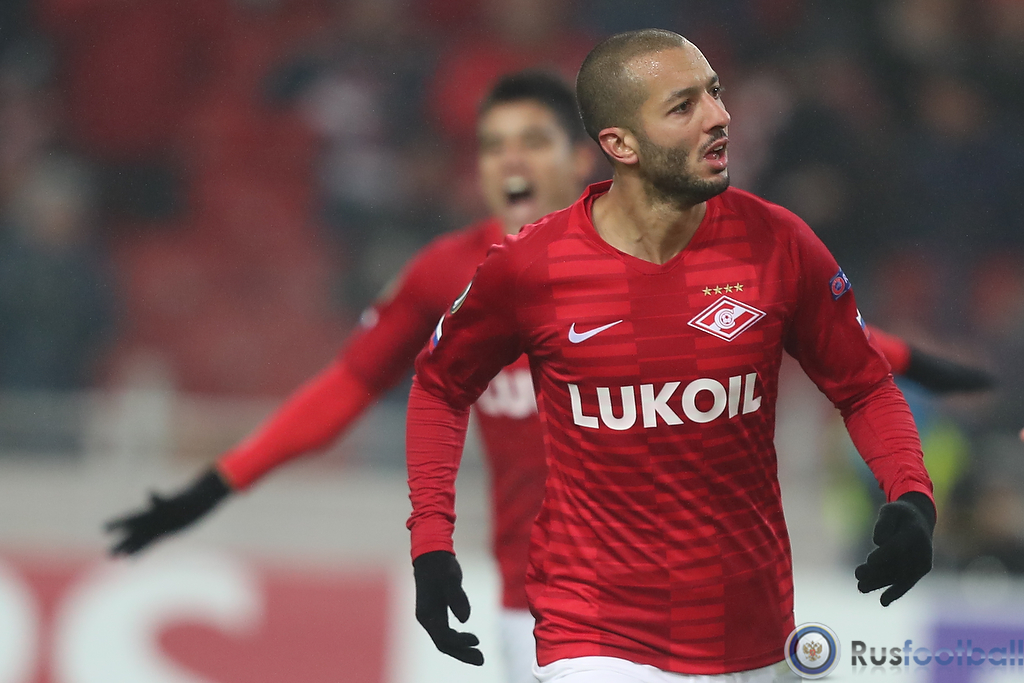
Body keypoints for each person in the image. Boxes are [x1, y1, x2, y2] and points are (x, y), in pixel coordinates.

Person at [405, 29, 935, 682]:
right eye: (683, 107)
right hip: (594, 632)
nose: (720, 116)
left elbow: (864, 386)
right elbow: (440, 387)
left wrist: (913, 495)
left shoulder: (778, 243)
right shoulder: (532, 267)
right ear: (620, 145)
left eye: (714, 93)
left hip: (755, 634)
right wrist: (432, 544)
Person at [104, 71, 597, 683]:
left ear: (582, 159)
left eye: (533, 141)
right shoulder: (446, 274)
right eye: (494, 146)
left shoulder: (652, 259)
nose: (511, 161)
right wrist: (215, 485)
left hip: (673, 592)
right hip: (535, 609)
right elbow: (349, 386)